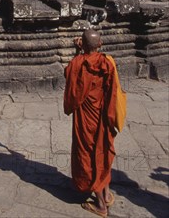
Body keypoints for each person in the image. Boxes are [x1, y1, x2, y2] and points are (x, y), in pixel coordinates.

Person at [64, 29, 118, 217]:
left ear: (83, 44)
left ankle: (101, 205)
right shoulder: (107, 63)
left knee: (89, 157)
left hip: (87, 121)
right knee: (102, 152)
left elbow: (69, 75)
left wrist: (78, 52)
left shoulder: (77, 63)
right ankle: (107, 193)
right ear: (100, 44)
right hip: (102, 117)